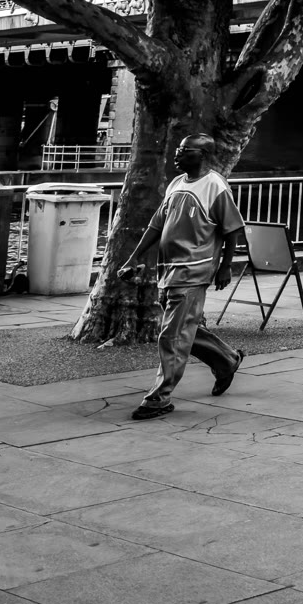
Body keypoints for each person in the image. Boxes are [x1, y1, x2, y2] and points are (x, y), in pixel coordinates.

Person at [115, 135, 246, 421]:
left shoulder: (215, 186)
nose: (177, 154)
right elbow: (157, 224)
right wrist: (134, 257)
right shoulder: (176, 183)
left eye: (185, 150)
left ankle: (159, 397)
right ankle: (226, 360)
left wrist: (226, 266)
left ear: (203, 155)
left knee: (172, 336)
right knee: (182, 329)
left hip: (194, 270)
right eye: (178, 149)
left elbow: (232, 229)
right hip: (168, 270)